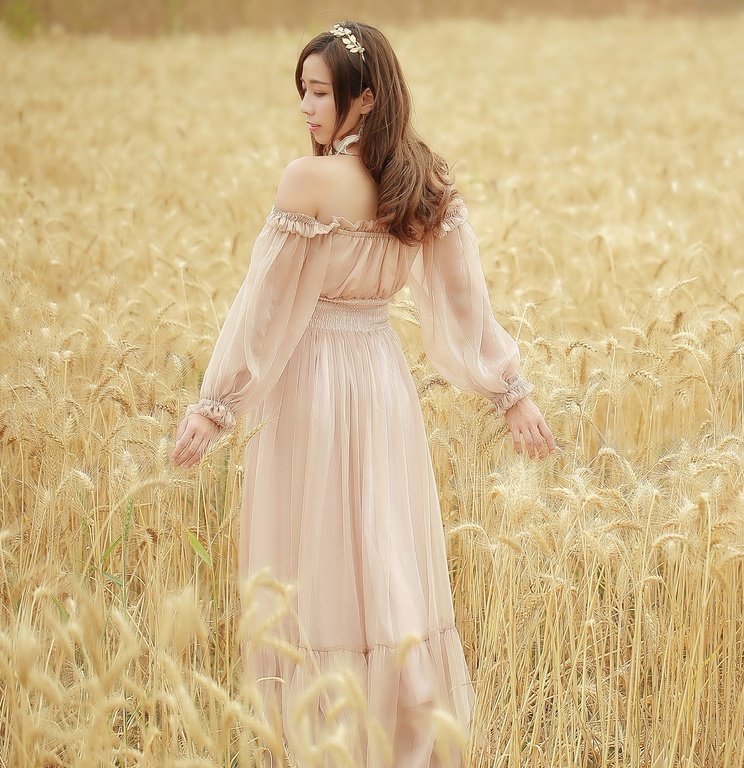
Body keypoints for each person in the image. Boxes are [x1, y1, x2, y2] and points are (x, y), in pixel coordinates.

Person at [168, 19, 556, 768]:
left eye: (319, 93)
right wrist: (510, 391)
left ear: (366, 99)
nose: (306, 109)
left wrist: (213, 406)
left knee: (315, 567)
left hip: (311, 385)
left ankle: (327, 740)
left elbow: (261, 309)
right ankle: (410, 735)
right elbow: (466, 306)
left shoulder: (307, 181)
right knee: (384, 557)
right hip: (381, 383)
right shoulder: (422, 180)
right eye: (302, 93)